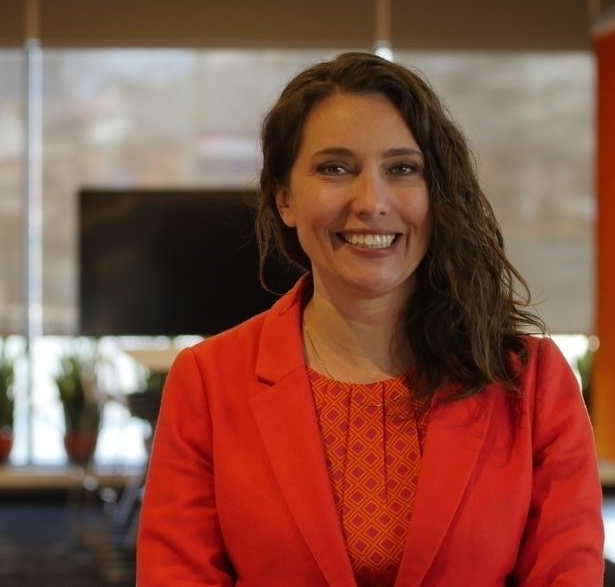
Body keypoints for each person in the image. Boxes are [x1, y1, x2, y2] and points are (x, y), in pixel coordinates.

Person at [135, 51, 603, 587]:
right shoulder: (208, 383)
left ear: (438, 193)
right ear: (284, 197)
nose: (372, 201)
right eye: (335, 168)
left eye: (402, 169)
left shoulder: (532, 382)